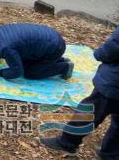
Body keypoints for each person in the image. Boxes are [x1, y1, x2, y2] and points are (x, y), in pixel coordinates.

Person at [40, 27, 119, 158]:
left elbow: (113, 48)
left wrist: (98, 54)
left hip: (114, 84)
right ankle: (111, 153)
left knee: (89, 112)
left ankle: (67, 142)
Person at [0, 23, 74, 80]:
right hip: (51, 37)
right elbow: (5, 46)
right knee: (22, 61)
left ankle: (65, 67)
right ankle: (59, 60)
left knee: (29, 73)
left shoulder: (5, 49)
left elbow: (17, 72)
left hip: (55, 47)